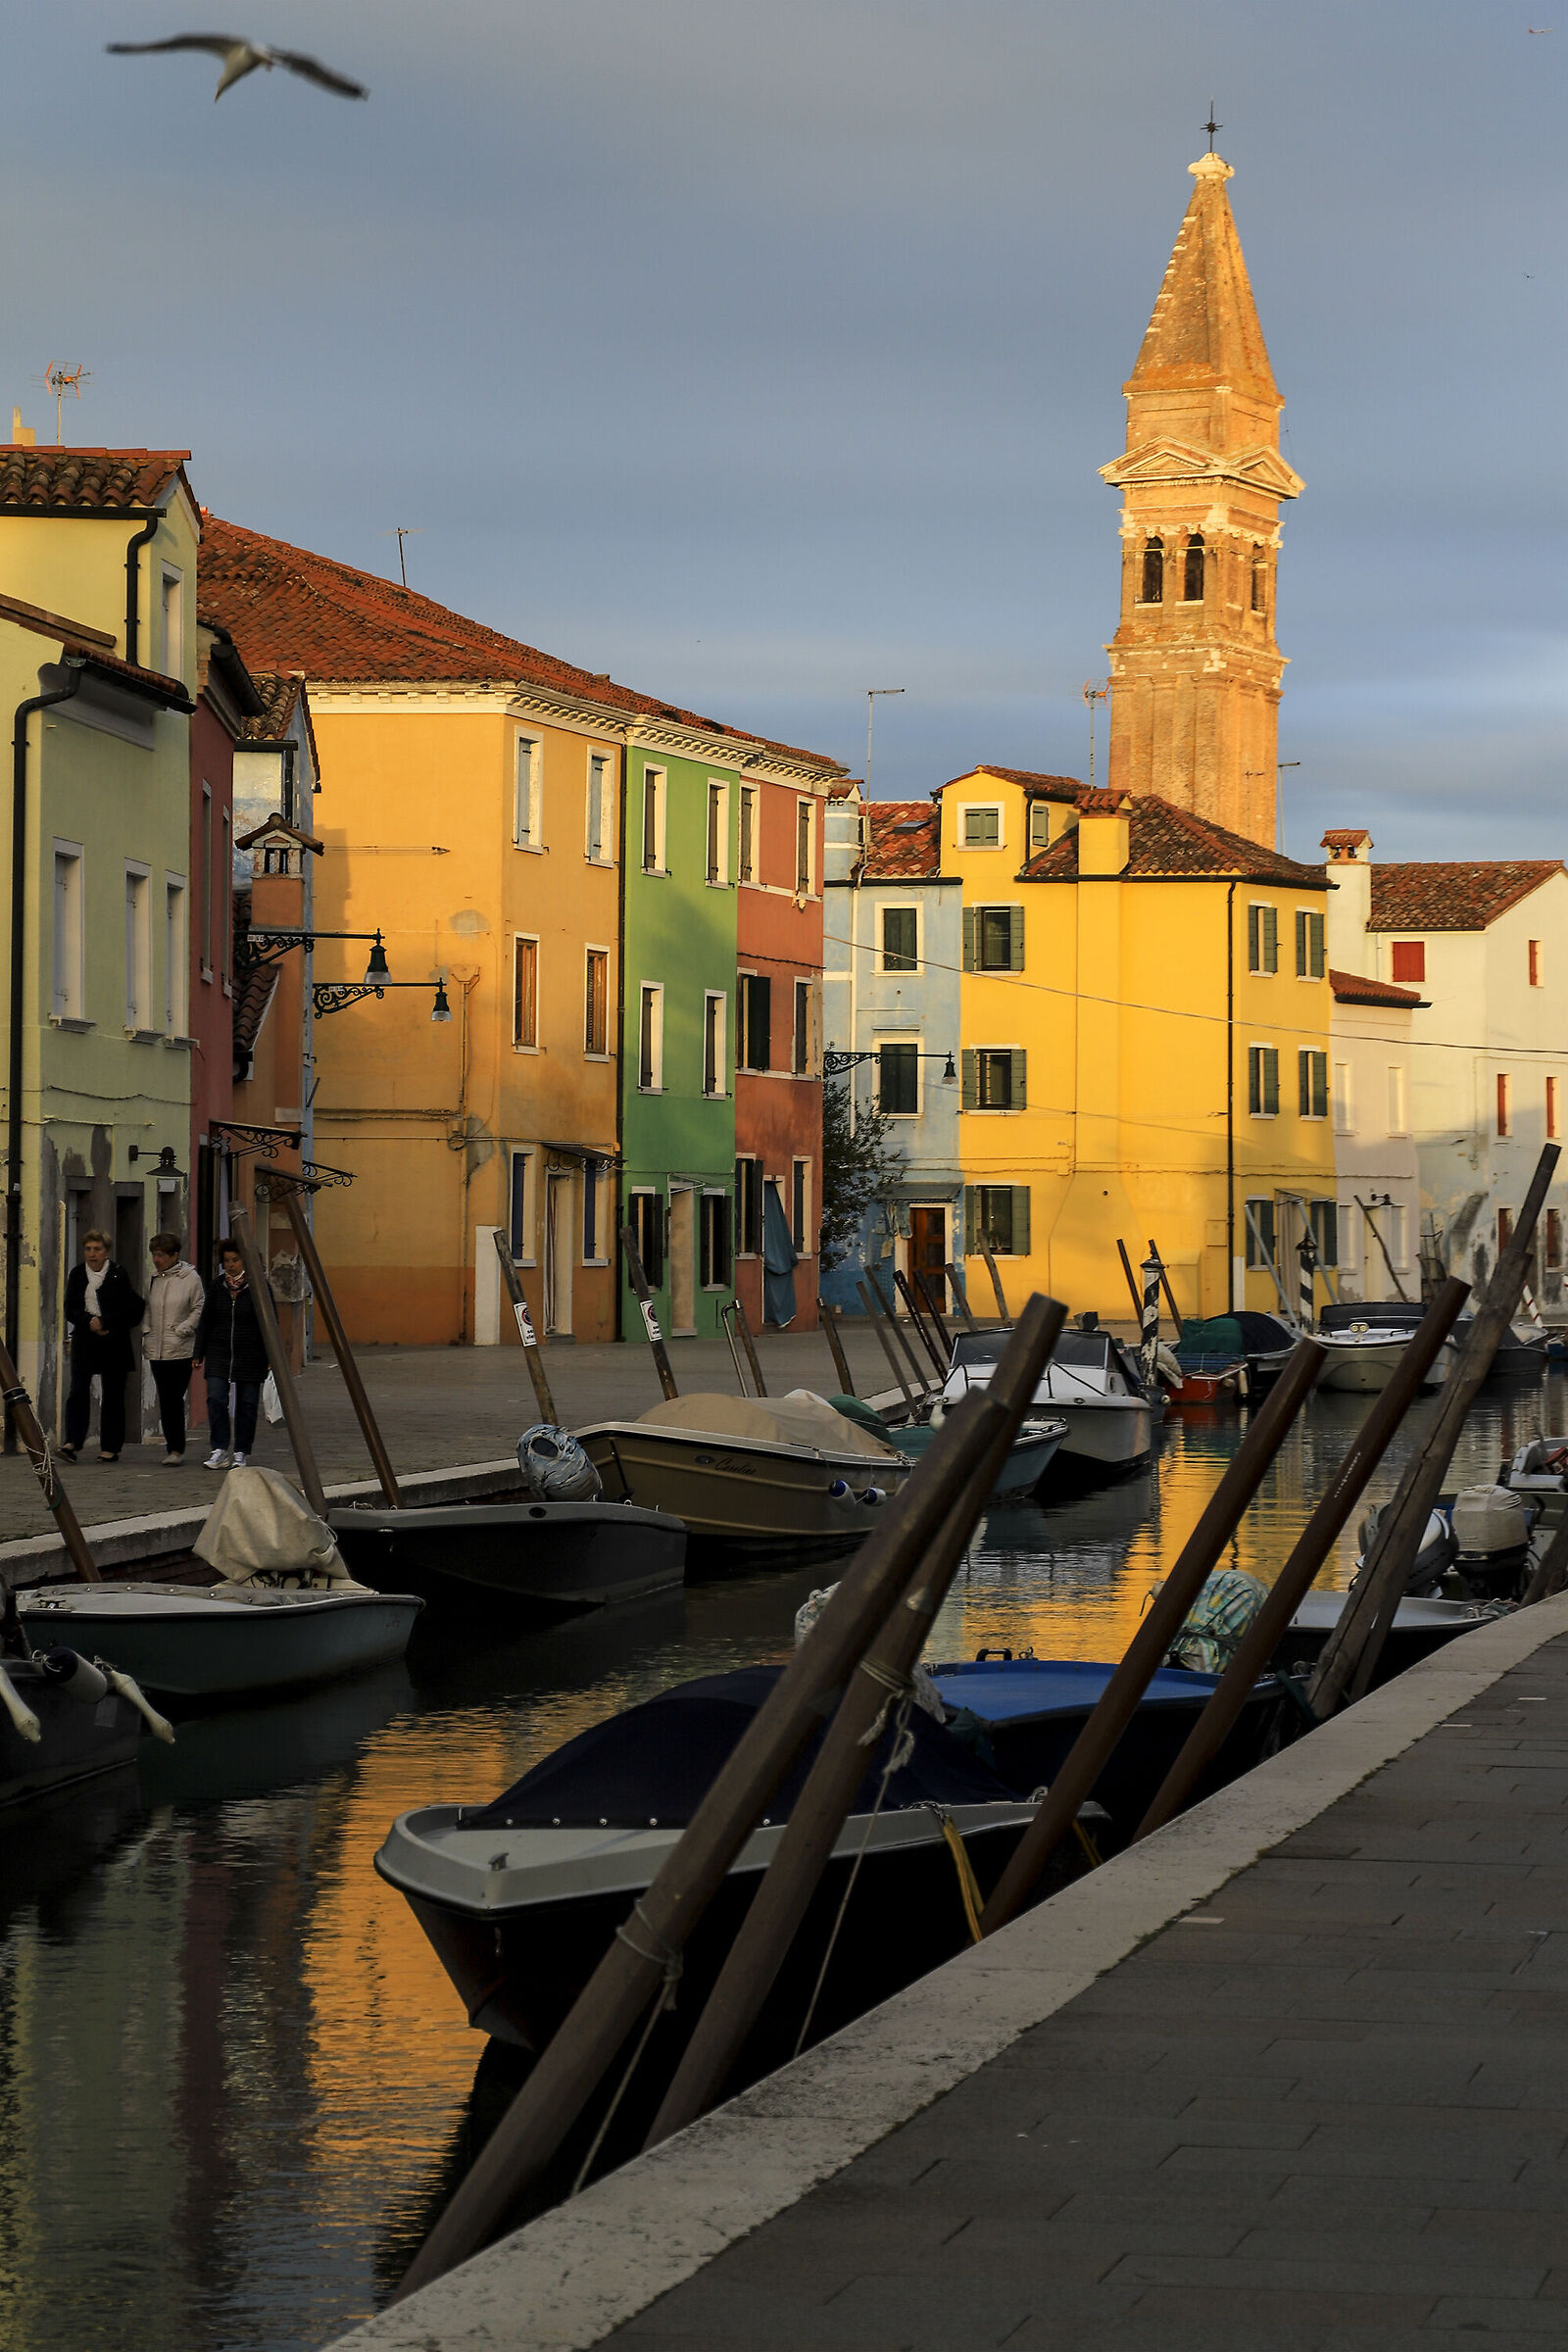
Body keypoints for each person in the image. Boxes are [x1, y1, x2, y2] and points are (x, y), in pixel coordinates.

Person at [61, 1229, 145, 1462]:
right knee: (78, 1390)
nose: (92, 1254)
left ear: (106, 1251)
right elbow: (70, 1308)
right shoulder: (77, 1274)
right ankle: (72, 1442)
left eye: (97, 1249)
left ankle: (110, 1447)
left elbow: (128, 1308)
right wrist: (89, 1321)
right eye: (88, 1249)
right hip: (85, 1339)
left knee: (113, 1394)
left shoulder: (118, 1274)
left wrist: (105, 1322)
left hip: (113, 1340)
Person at [193, 1240, 272, 1470]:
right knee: (216, 1398)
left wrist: (271, 1356)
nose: (230, 1265)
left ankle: (241, 1451)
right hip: (219, 1352)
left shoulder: (258, 1287)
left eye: (235, 1260)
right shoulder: (217, 1286)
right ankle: (219, 1448)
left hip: (250, 1354)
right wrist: (198, 1352)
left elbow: (270, 1322)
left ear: (246, 1260)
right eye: (227, 1261)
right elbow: (206, 1320)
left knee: (247, 1404)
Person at [144, 1233, 206, 1464]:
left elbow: (199, 1306)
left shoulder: (189, 1278)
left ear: (174, 1255)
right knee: (165, 1397)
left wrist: (185, 1328)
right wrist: (146, 1329)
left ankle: (176, 1448)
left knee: (173, 1397)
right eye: (154, 1255)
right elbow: (148, 1306)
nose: (156, 1260)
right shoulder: (153, 1279)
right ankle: (173, 1447)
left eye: (161, 1255)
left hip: (180, 1348)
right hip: (156, 1348)